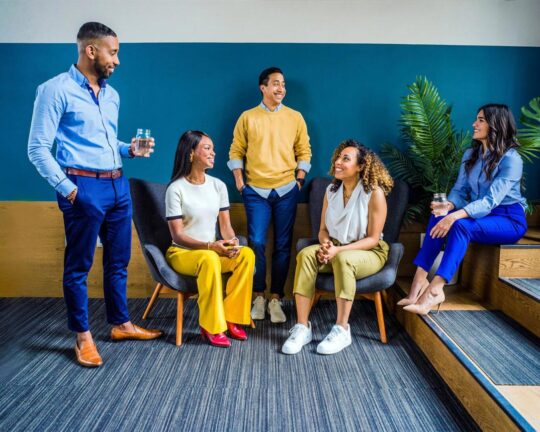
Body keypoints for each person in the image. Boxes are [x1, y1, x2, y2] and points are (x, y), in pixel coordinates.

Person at [27, 22, 162, 368]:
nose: (117, 60)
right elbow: (37, 148)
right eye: (112, 52)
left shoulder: (112, 95)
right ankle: (83, 336)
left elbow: (104, 141)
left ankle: (121, 324)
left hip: (118, 184)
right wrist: (70, 190)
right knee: (79, 266)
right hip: (82, 186)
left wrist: (129, 149)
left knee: (118, 261)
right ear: (91, 50)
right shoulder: (54, 90)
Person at [400, 104, 528, 315]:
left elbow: (490, 201)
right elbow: (460, 191)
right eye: (476, 119)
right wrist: (449, 206)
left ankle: (436, 290)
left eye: (481, 120)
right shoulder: (471, 154)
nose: (474, 124)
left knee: (460, 225)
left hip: (508, 219)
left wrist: (455, 216)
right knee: (439, 215)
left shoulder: (512, 159)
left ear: (496, 125)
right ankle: (418, 283)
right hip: (479, 214)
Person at [282, 140, 393, 355]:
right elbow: (323, 230)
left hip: (369, 252)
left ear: (360, 166)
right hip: (335, 247)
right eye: (338, 158)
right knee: (306, 255)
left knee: (343, 259)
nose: (338, 162)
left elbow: (372, 239)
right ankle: (302, 327)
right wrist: (326, 245)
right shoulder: (331, 191)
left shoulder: (374, 193)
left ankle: (342, 330)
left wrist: (337, 251)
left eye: (346, 159)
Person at [228, 66, 312, 323]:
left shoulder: (295, 117)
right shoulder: (247, 117)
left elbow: (304, 150)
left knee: (283, 245)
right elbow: (236, 150)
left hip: (287, 189)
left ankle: (276, 299)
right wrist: (240, 183)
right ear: (263, 87)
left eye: (283, 84)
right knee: (256, 243)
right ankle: (258, 296)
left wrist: (299, 180)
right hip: (255, 191)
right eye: (276, 83)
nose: (281, 88)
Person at [165, 130, 256, 348]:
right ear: (191, 153)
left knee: (246, 255)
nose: (213, 153)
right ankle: (211, 326)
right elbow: (177, 235)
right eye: (207, 148)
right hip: (182, 253)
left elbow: (225, 227)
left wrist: (233, 242)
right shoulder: (175, 189)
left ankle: (232, 317)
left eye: (213, 149)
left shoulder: (218, 186)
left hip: (211, 251)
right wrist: (210, 246)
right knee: (209, 258)